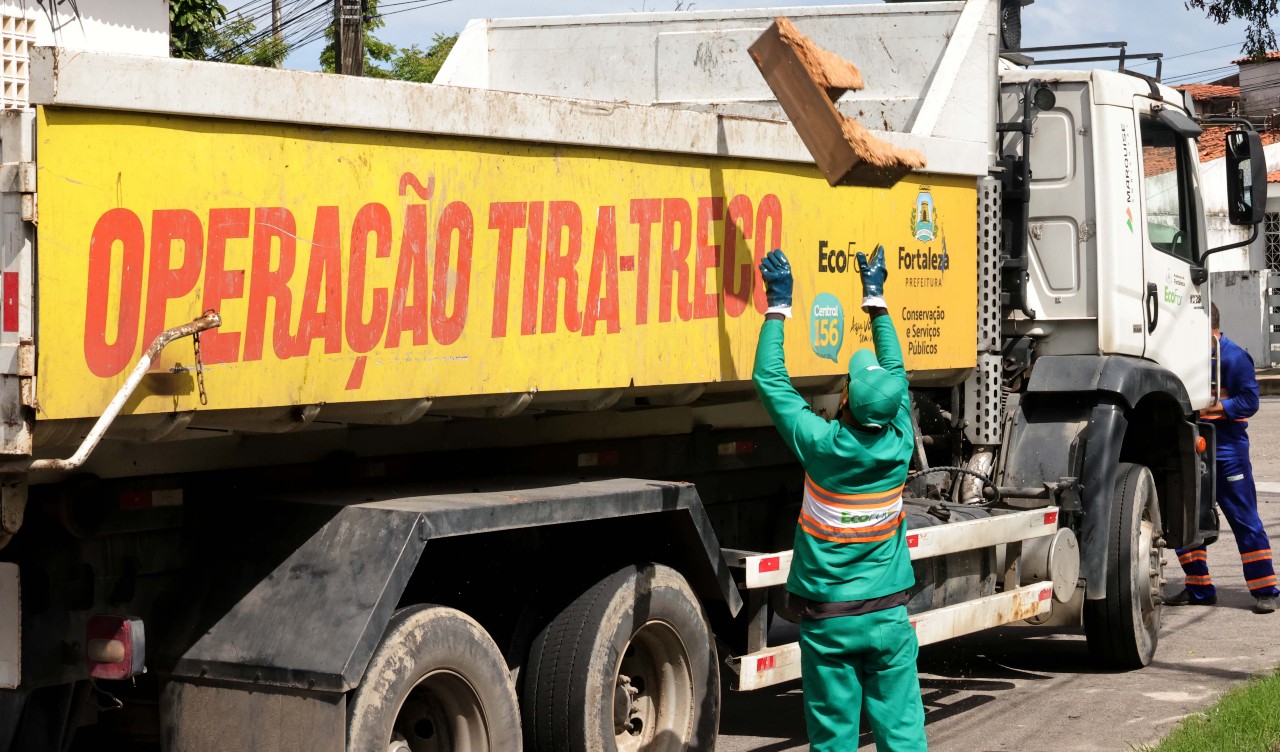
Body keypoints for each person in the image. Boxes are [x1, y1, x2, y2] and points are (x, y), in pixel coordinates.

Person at [752, 247, 926, 751]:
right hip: (889, 617)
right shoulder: (898, 442)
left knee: (834, 740)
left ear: (845, 399)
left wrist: (779, 307)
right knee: (904, 733)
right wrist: (876, 300)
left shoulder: (822, 446)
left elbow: (770, 381)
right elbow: (895, 370)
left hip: (830, 621)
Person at [1168, 303, 1277, 614]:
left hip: (1227, 452)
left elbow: (1249, 401)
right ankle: (1199, 588)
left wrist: (1206, 410)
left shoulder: (1233, 356)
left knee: (1245, 520)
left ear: (1206, 326)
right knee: (1185, 518)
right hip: (1189, 449)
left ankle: (1266, 590)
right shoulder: (1183, 357)